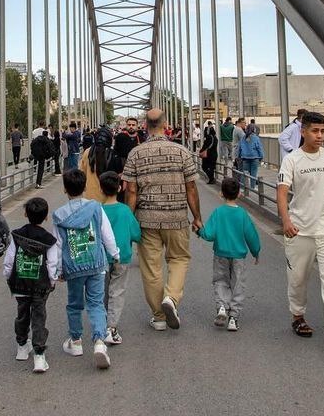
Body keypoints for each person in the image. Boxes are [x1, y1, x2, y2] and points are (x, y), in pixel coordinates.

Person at [277, 111, 324, 354]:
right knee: (298, 279)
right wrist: (286, 221)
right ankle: (298, 316)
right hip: (299, 230)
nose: (320, 135)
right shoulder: (292, 160)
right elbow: (281, 192)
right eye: (315, 131)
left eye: (323, 131)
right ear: (303, 132)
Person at [122, 108, 203, 331]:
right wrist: (197, 217)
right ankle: (171, 298)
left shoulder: (135, 153)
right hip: (177, 217)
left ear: (145, 126)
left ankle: (158, 317)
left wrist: (129, 221)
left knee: (151, 268)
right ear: (165, 124)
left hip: (146, 219)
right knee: (179, 258)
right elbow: (191, 187)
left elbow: (131, 191)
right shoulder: (182, 152)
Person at [53, 168, 120, 369]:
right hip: (96, 263)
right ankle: (99, 340)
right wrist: (115, 253)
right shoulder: (96, 208)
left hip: (73, 267)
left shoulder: (59, 216)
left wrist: (57, 270)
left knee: (74, 304)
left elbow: (57, 246)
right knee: (96, 303)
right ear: (84, 187)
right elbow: (107, 234)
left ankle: (76, 341)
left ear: (65, 189)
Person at [2, 197, 59, 375]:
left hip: (20, 284)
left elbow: (9, 259)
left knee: (22, 314)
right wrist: (52, 281)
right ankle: (39, 355)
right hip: (40, 286)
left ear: (25, 214)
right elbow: (52, 264)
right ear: (46, 216)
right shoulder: (49, 240)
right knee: (39, 317)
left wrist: (8, 276)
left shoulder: (16, 236)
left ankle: (22, 346)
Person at [197, 177, 261, 332]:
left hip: (221, 253)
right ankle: (233, 317)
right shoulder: (242, 214)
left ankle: (221, 307)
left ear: (221, 193)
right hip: (239, 255)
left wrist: (199, 231)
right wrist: (256, 251)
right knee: (238, 283)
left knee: (220, 280)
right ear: (239, 193)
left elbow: (209, 234)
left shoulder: (218, 212)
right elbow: (251, 235)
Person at [99, 171, 141, 345]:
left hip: (101, 258)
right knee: (117, 291)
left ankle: (101, 322)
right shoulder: (125, 211)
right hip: (122, 256)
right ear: (119, 188)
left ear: (101, 189)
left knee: (102, 291)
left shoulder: (97, 210)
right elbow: (137, 234)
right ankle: (112, 327)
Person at [236, 118, 264, 189]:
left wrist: (238, 156)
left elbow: (239, 148)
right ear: (253, 130)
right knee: (253, 173)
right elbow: (259, 148)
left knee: (244, 173)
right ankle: (252, 187)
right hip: (255, 157)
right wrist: (261, 156)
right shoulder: (256, 138)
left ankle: (242, 188)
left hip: (245, 158)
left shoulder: (243, 138)